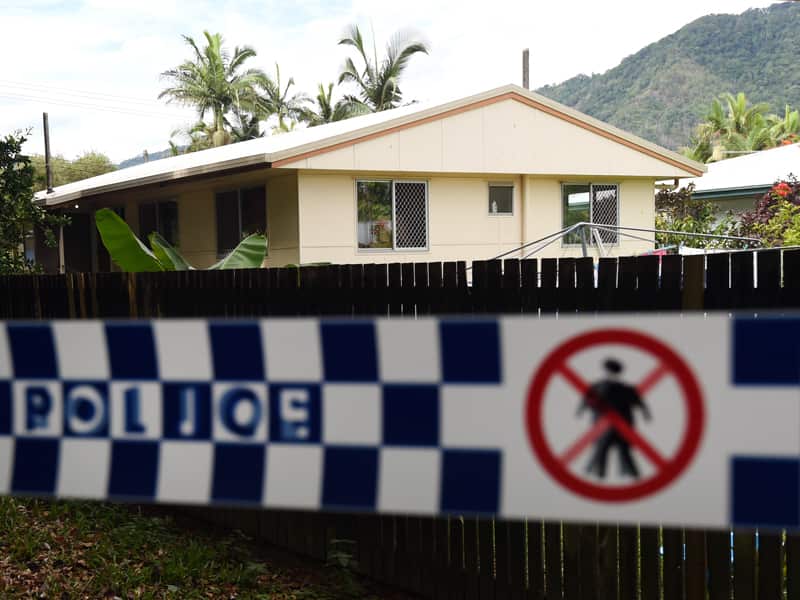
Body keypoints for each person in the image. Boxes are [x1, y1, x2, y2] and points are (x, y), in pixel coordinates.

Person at [576, 358, 651, 478]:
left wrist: (646, 414)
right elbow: (585, 401)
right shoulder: (603, 387)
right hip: (608, 426)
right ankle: (599, 475)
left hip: (614, 427)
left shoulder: (602, 387)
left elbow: (640, 404)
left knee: (616, 452)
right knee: (605, 451)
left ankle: (603, 475)